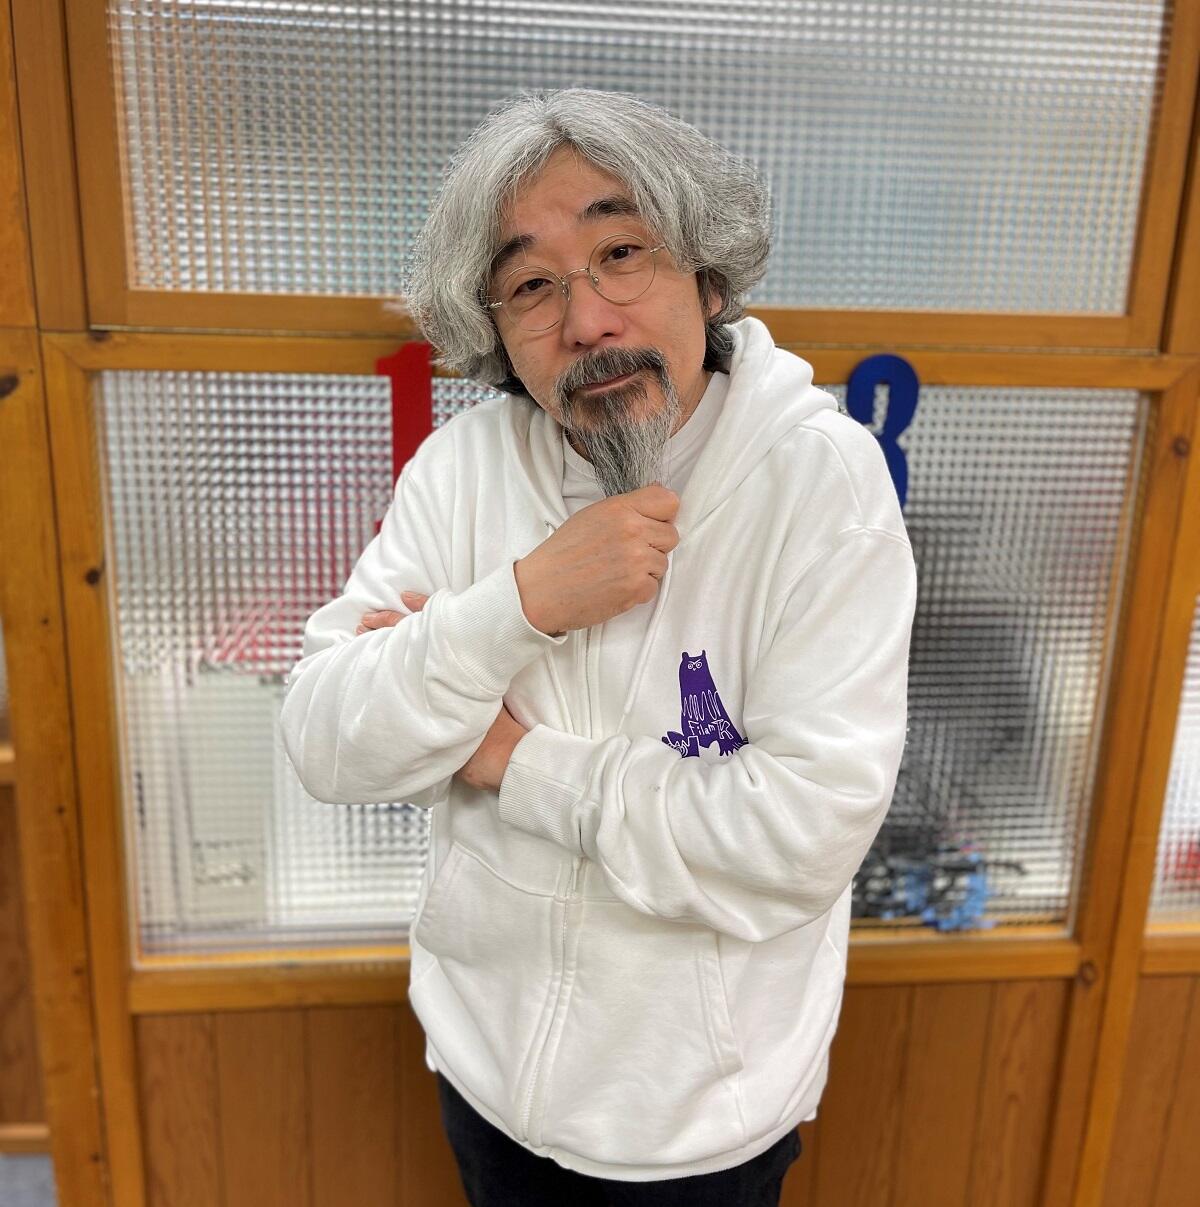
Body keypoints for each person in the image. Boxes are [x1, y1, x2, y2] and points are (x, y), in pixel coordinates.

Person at [281, 88, 916, 1206]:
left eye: (623, 253)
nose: (586, 322)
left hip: (697, 1121)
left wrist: (506, 757)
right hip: (483, 1068)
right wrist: (518, 605)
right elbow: (329, 741)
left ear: (706, 275)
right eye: (531, 285)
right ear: (494, 328)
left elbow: (798, 835)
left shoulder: (822, 483)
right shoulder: (461, 470)